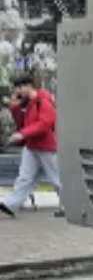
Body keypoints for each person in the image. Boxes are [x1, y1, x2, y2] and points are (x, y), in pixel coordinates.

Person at [1, 73, 61, 218]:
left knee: (57, 178)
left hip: (47, 147)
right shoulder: (27, 104)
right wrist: (14, 107)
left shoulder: (43, 101)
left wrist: (23, 134)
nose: (17, 92)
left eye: (19, 88)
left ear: (29, 86)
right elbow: (21, 124)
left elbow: (45, 124)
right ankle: (12, 204)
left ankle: (69, 206)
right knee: (25, 177)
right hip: (32, 146)